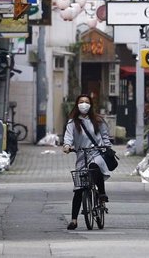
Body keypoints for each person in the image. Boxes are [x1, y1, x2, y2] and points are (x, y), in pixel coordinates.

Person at [62, 94, 112, 230]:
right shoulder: (72, 123)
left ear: (91, 105)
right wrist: (67, 146)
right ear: (77, 105)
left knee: (95, 166)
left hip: (96, 153)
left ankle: (101, 193)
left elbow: (105, 136)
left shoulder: (98, 120)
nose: (84, 104)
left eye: (86, 102)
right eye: (81, 102)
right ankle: (73, 220)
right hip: (81, 155)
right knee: (79, 189)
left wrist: (106, 147)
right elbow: (68, 138)